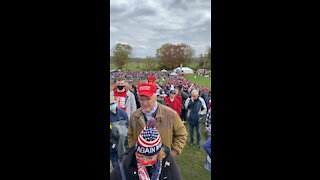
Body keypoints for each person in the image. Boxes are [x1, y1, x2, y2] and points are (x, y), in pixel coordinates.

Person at [128, 83, 188, 157]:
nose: (144, 103)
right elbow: (130, 135)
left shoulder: (171, 114)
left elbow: (182, 134)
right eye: (141, 99)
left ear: (155, 97)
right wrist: (134, 152)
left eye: (148, 99)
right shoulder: (134, 116)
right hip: (141, 161)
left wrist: (172, 154)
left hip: (162, 161)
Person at [111, 126, 182, 179]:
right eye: (141, 156)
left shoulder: (168, 163)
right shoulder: (124, 166)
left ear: (159, 154)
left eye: (150, 158)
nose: (144, 161)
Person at [110, 95, 129, 168]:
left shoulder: (122, 113)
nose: (111, 105)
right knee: (115, 164)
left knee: (124, 164)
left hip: (124, 143)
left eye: (112, 103)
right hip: (112, 144)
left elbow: (128, 125)